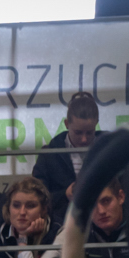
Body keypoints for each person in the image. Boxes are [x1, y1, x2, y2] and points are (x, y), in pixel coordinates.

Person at [30, 91, 97, 224]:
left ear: (97, 124)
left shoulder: (110, 149)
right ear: (66, 124)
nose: (84, 139)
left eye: (90, 133)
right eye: (78, 132)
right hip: (61, 223)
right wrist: (65, 195)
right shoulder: (49, 154)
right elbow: (36, 197)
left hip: (101, 221)